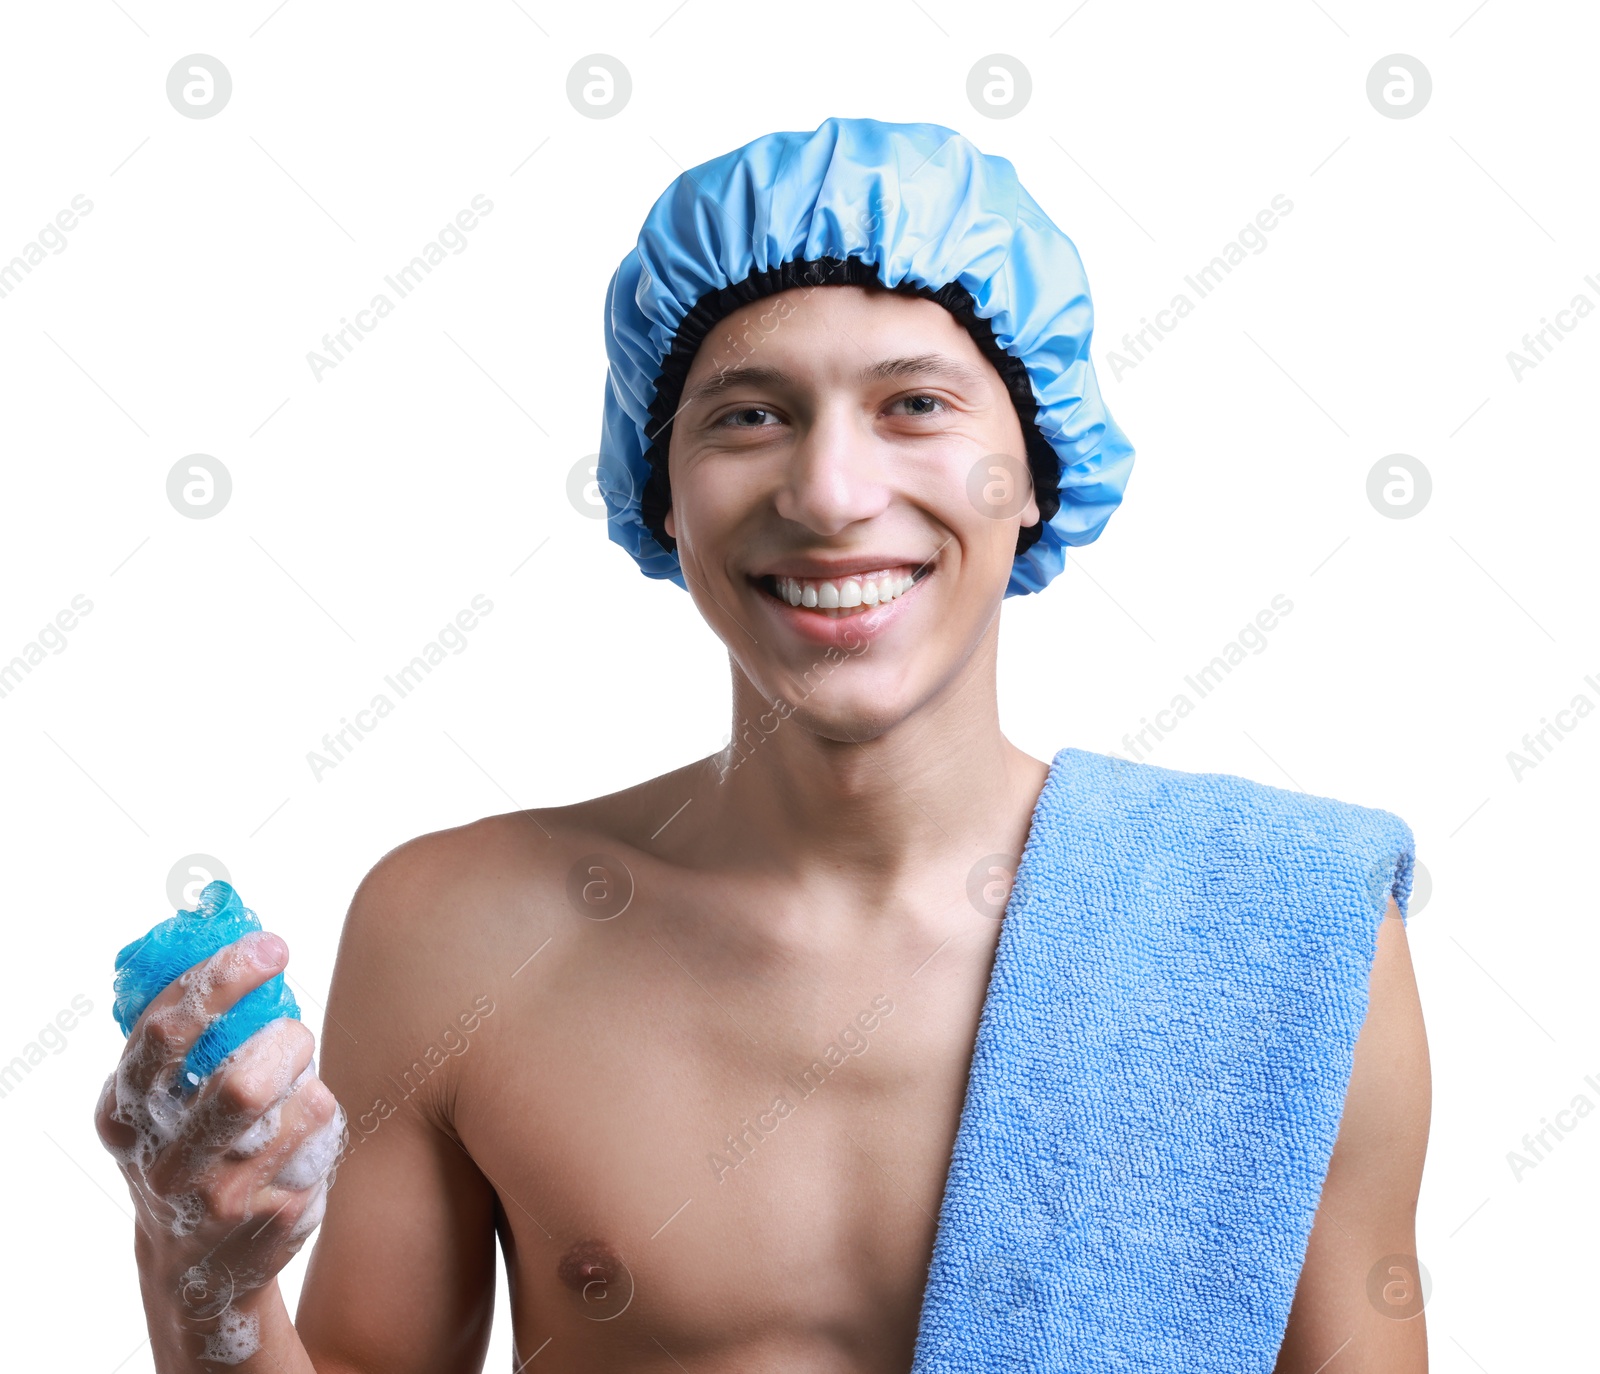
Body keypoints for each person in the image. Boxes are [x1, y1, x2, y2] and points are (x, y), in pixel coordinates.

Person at [96, 117, 1429, 1372]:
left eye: (915, 405)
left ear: (1034, 473)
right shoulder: (454, 931)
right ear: (657, 491)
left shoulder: (1281, 930)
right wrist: (198, 1279)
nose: (833, 493)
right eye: (749, 414)